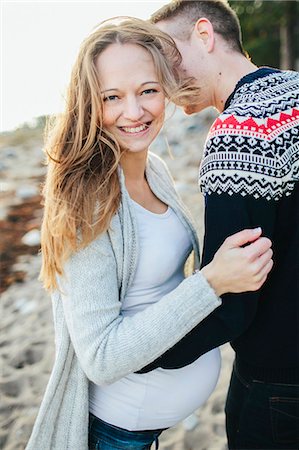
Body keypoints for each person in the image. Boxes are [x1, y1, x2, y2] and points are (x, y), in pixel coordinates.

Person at [25, 17, 273, 450]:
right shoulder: (88, 200)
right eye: (112, 97)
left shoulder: (152, 168)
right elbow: (101, 358)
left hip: (144, 429)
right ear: (88, 103)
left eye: (148, 91)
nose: (135, 112)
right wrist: (211, 282)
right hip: (115, 434)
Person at [137, 1, 299, 449]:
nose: (163, 83)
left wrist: (143, 353)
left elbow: (229, 299)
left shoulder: (238, 132)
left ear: (204, 36)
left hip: (279, 387)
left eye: (167, 59)